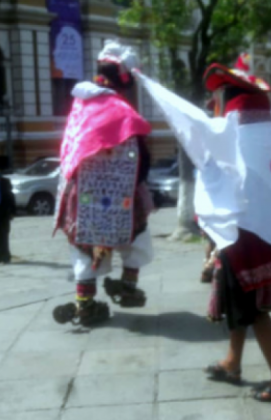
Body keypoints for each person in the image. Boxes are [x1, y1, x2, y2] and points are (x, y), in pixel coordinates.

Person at [136, 52, 271, 401]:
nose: (212, 102)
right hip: (248, 241)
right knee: (237, 308)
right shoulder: (259, 135)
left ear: (229, 100)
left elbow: (221, 178)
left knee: (254, 313)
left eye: (218, 96)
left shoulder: (237, 136)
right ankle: (232, 362)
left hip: (247, 244)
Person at [52, 41, 154, 326]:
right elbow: (142, 158)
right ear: (126, 80)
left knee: (83, 244)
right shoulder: (123, 110)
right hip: (123, 194)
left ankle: (84, 303)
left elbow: (68, 151)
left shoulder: (80, 107)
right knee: (137, 236)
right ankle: (128, 285)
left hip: (81, 194)